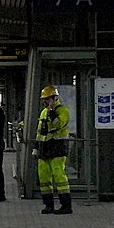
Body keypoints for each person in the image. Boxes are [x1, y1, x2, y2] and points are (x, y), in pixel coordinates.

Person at [33, 84, 72, 214]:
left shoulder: (63, 111)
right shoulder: (43, 112)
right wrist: (36, 147)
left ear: (55, 98)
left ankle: (66, 205)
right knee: (44, 178)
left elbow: (56, 125)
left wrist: (51, 111)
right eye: (45, 99)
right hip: (44, 148)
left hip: (57, 147)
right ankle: (48, 205)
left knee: (59, 177)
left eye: (48, 98)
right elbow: (40, 132)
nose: (45, 101)